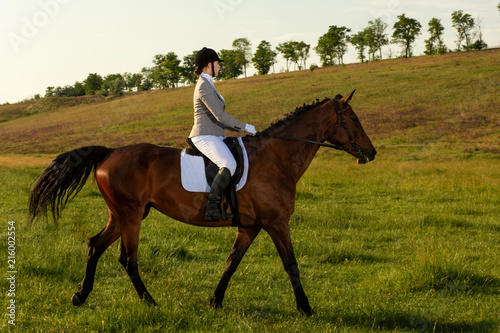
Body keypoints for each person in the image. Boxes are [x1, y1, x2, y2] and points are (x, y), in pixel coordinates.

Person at [189, 47, 257, 221]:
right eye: (217, 64)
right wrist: (244, 126)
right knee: (228, 163)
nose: (219, 67)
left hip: (215, 134)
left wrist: (239, 130)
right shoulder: (203, 86)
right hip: (204, 135)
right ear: (208, 65)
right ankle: (212, 208)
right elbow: (219, 115)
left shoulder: (209, 83)